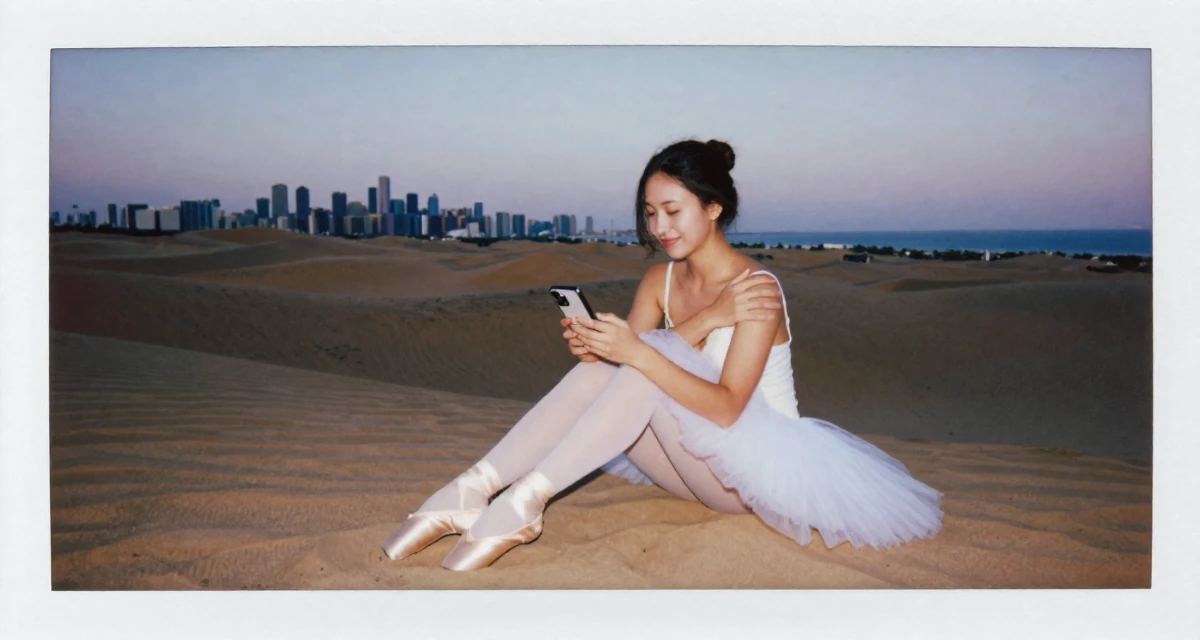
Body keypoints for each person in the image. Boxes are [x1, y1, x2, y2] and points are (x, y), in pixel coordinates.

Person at [381, 138, 944, 571]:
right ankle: (474, 488)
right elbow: (625, 372)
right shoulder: (660, 280)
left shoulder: (757, 289)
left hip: (751, 475)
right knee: (615, 366)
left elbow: (725, 409)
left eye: (673, 210)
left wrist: (638, 349)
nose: (659, 226)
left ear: (713, 208)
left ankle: (525, 499)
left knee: (643, 362)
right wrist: (596, 349)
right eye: (650, 213)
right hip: (684, 462)